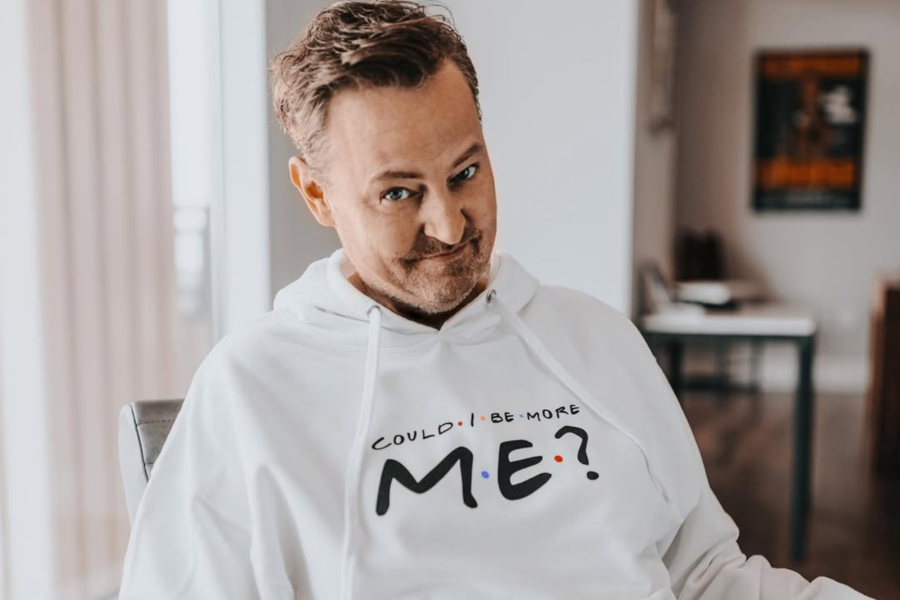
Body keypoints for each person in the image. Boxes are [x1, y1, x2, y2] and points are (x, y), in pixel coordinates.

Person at [118, 2, 871, 598]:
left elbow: (707, 576)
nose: (450, 225)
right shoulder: (252, 389)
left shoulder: (596, 338)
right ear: (316, 194)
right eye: (399, 193)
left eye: (466, 172)